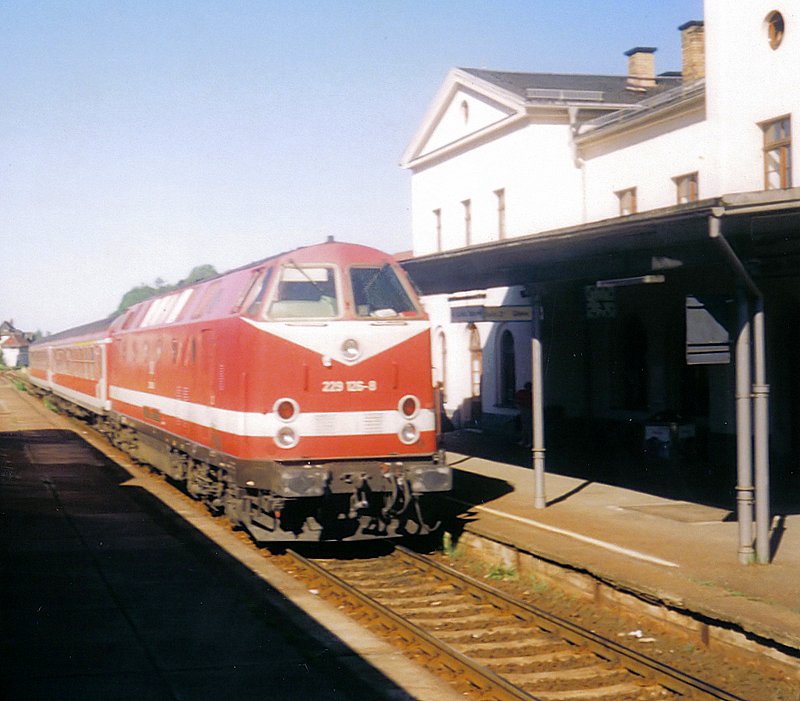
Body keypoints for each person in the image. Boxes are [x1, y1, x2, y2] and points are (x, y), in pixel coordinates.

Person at [515, 382, 532, 448]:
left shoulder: (524, 393)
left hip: (527, 410)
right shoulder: (524, 393)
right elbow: (516, 399)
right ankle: (525, 441)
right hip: (525, 410)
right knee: (525, 426)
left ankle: (528, 441)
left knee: (528, 427)